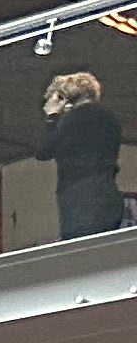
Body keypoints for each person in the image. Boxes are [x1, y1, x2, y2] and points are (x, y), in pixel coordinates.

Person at [37, 71, 124, 237]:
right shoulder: (110, 119)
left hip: (82, 195)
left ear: (64, 97)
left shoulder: (77, 118)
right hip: (106, 191)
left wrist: (52, 116)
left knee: (78, 250)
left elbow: (44, 150)